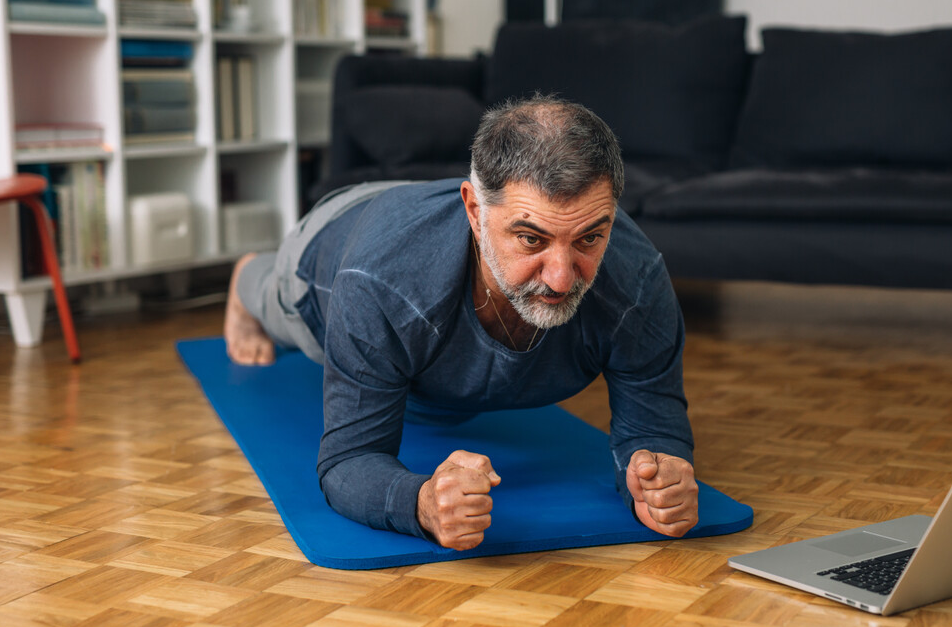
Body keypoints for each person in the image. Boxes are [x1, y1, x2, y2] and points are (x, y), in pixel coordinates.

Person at [224, 95, 698, 550]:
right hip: (336, 238)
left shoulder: (637, 280)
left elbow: (655, 428)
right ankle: (249, 275)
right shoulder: (378, 280)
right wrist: (421, 504)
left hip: (422, 237)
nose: (560, 278)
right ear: (475, 211)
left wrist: (658, 475)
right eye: (532, 239)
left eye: (589, 238)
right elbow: (348, 461)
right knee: (279, 305)